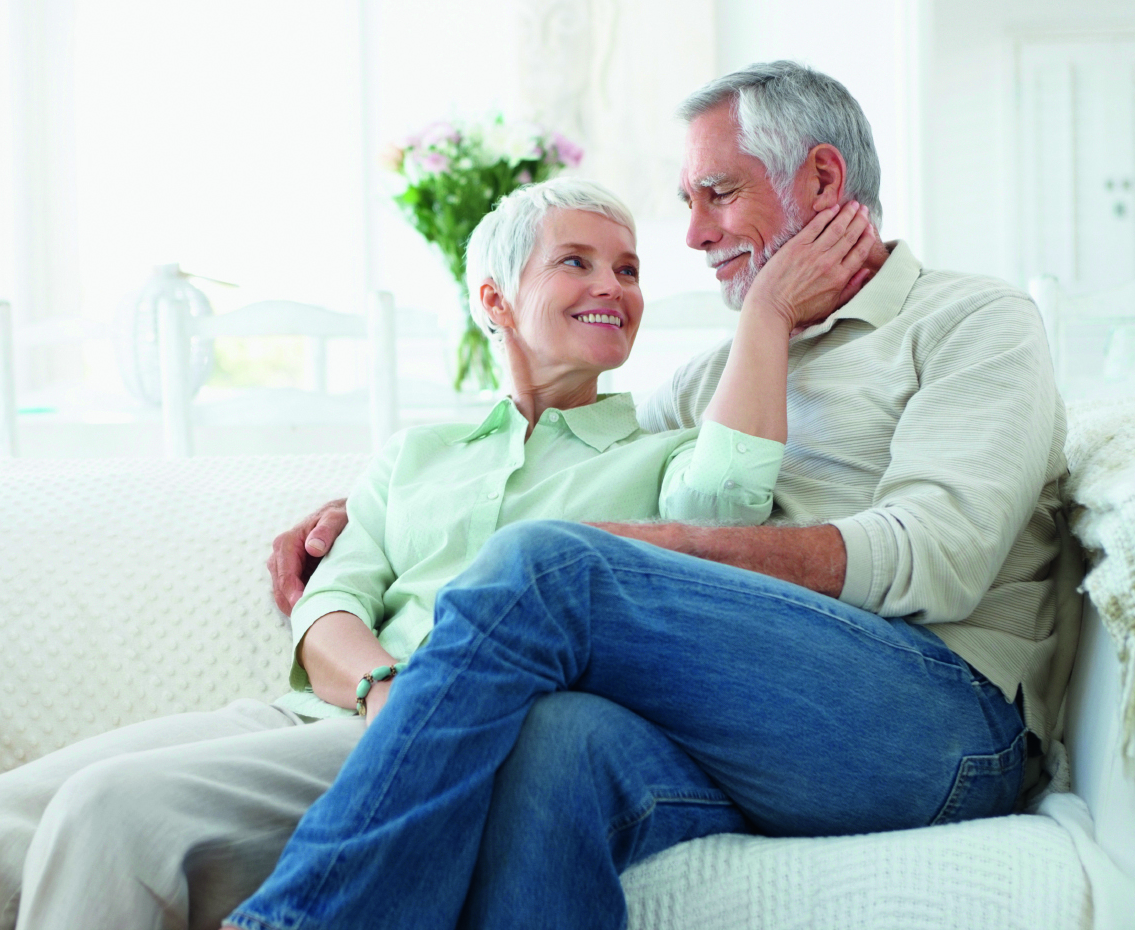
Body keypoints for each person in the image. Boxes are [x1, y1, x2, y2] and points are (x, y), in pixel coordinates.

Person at [0, 175, 871, 930]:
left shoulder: (662, 463)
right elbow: (328, 605)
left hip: (447, 740)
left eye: (628, 270)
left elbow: (729, 500)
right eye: (577, 262)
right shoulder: (417, 454)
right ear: (494, 296)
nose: (613, 286)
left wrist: (765, 317)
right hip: (325, 712)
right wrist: (376, 688)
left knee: (113, 812)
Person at [238, 60, 1073, 930]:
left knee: (551, 565)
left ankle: (296, 922)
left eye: (718, 193)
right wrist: (371, 505)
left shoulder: (973, 321)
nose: (695, 235)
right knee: (554, 741)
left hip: (937, 724)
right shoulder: (714, 377)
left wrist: (663, 549)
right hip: (756, 719)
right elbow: (573, 447)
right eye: (688, 202)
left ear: (822, 180)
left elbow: (938, 555)